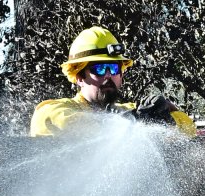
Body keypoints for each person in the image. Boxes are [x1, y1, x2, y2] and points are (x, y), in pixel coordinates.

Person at [30, 26, 196, 137]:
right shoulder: (55, 109)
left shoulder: (131, 110)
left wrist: (166, 117)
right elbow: (57, 121)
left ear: (121, 75)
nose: (108, 75)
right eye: (100, 69)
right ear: (79, 76)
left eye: (114, 68)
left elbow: (189, 129)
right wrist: (133, 122)